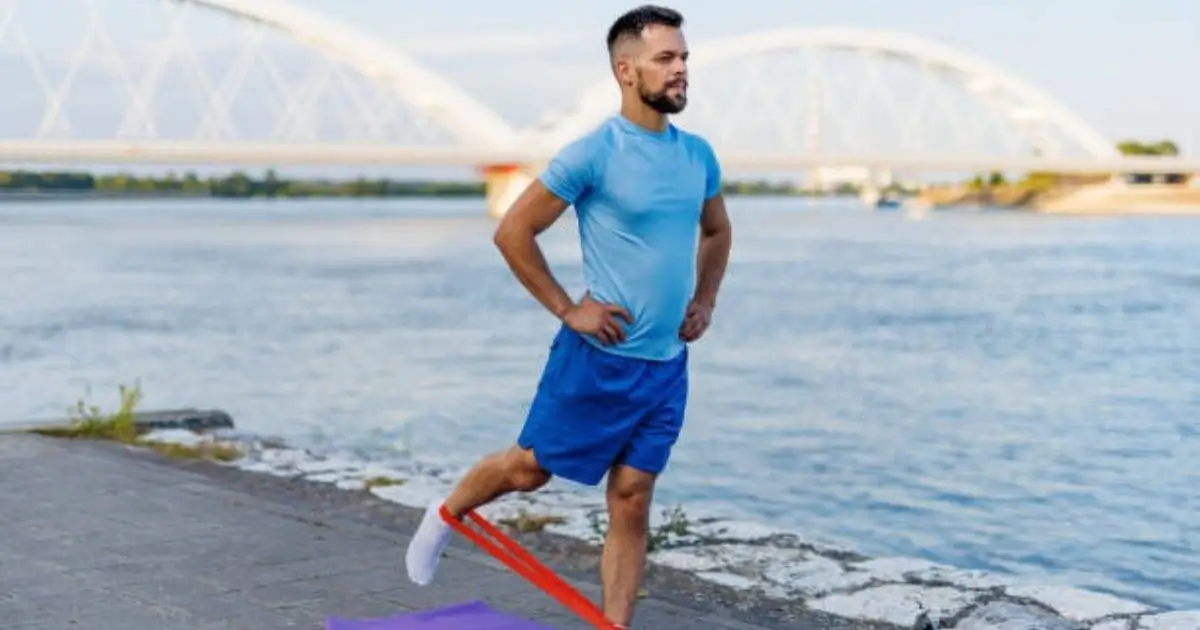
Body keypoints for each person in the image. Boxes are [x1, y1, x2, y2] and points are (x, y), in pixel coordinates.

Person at [404, 5, 732, 628]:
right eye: (667, 58)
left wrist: (705, 299)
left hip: (665, 365)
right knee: (528, 471)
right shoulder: (593, 154)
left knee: (632, 500)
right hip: (597, 360)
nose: (682, 68)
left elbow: (716, 231)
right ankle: (445, 514)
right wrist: (567, 308)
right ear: (626, 70)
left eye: (685, 57)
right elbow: (514, 231)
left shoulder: (698, 156)